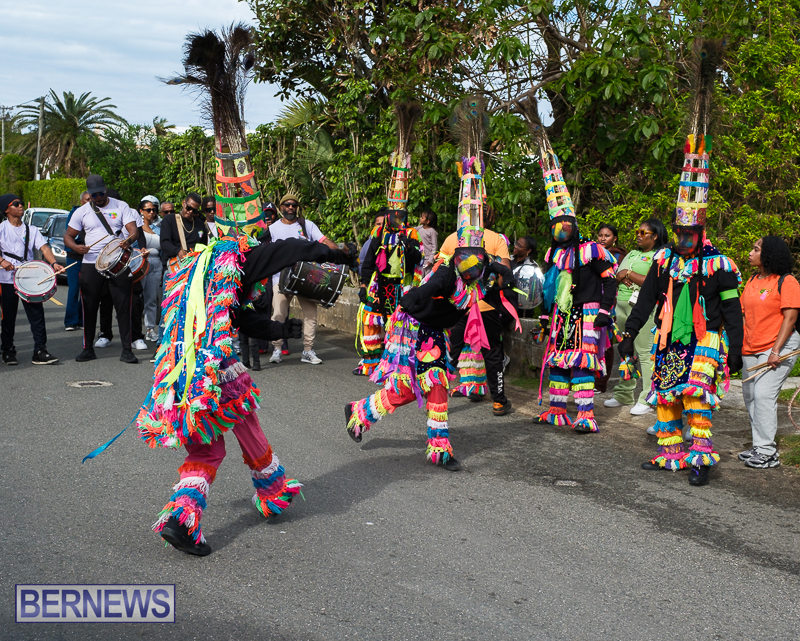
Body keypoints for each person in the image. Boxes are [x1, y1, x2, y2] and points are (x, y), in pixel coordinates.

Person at [136, 233, 357, 556]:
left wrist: (278, 330)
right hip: (212, 369)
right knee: (240, 424)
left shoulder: (198, 269)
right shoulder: (238, 256)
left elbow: (237, 316)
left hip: (179, 372)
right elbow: (287, 249)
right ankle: (265, 492)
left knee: (210, 446)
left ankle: (185, 516)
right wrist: (335, 254)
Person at [621, 143, 743, 486]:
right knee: (665, 396)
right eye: (678, 233)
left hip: (705, 339)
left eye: (688, 234)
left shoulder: (720, 265)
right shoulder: (664, 261)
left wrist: (736, 350)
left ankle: (700, 459)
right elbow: (646, 301)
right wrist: (629, 334)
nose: (682, 239)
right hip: (668, 339)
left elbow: (732, 309)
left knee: (695, 398)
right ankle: (670, 454)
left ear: (701, 232)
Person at [64, 175, 140, 364]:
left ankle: (127, 350)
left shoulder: (120, 206)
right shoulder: (81, 212)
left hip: (117, 261)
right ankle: (88, 349)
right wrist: (76, 247)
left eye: (100, 194)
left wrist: (128, 240)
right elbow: (68, 236)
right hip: (91, 263)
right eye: (93, 195)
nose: (97, 198)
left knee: (123, 306)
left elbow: (133, 230)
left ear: (105, 190)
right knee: (89, 306)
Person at [739, 236, 800, 469]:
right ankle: (759, 445)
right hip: (750, 346)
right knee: (750, 396)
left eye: (756, 249)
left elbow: (790, 318)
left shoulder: (787, 282)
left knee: (763, 394)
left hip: (779, 346)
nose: (751, 253)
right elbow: (744, 314)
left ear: (769, 255)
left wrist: (776, 351)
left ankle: (767, 452)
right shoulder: (752, 280)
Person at [443, 226, 514, 415]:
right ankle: (499, 401)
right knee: (493, 354)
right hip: (486, 307)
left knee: (451, 353)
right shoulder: (495, 240)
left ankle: (436, 400)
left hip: (461, 306)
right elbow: (506, 276)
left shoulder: (452, 242)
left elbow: (441, 273)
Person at [603, 218, 668, 416]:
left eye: (643, 233)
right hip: (622, 307)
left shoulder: (660, 256)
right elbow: (616, 275)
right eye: (637, 232)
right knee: (626, 351)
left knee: (645, 353)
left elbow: (651, 282)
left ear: (655, 236)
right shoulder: (632, 253)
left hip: (643, 310)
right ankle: (624, 393)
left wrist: (628, 274)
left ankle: (647, 397)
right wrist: (624, 275)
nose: (638, 236)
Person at [268, 194, 339, 365]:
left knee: (310, 315)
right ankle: (277, 349)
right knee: (278, 314)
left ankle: (308, 351)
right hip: (281, 277)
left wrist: (339, 254)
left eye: (293, 205)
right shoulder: (272, 229)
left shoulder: (307, 225)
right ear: (281, 207)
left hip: (306, 278)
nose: (290, 208)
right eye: (287, 205)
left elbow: (323, 240)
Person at [355, 206, 422, 376]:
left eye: (400, 216)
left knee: (400, 326)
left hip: (401, 286)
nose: (396, 220)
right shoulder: (379, 233)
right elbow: (369, 261)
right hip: (379, 285)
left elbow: (417, 259)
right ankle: (371, 365)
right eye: (393, 216)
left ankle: (397, 367)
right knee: (371, 323)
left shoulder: (411, 234)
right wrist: (363, 285)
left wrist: (408, 248)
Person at [0, 193, 63, 365]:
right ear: (6, 210)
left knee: (37, 315)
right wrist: (2, 261)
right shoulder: (1, 229)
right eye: (16, 204)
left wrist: (54, 263)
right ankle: (8, 350)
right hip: (6, 279)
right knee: (8, 317)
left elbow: (44, 248)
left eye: (21, 203)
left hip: (28, 278)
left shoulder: (31, 230)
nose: (20, 206)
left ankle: (40, 351)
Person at [159, 193, 210, 271]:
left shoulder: (200, 224)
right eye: (188, 208)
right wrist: (178, 251)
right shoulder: (170, 220)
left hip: (195, 266)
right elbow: (164, 242)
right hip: (175, 267)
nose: (190, 211)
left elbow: (203, 245)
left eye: (194, 210)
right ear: (183, 203)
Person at [64, 190, 90, 331]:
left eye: (91, 199)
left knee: (86, 289)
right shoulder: (75, 213)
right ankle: (70, 321)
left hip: (89, 257)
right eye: (87, 199)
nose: (90, 202)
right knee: (74, 289)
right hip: (74, 256)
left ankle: (81, 320)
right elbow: (71, 234)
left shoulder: (98, 214)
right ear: (81, 202)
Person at [139, 197, 163, 342]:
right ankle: (135, 331)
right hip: (141, 264)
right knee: (137, 299)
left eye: (154, 210)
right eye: (148, 210)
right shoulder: (135, 228)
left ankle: (150, 329)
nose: (151, 212)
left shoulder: (158, 229)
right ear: (141, 211)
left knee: (152, 298)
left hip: (156, 263)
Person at [416, 210, 438, 276]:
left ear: (428, 221)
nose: (420, 218)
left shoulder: (432, 232)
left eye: (422, 218)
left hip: (427, 259)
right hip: (419, 257)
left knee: (426, 277)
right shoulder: (420, 228)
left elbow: (434, 246)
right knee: (418, 276)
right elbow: (412, 229)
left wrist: (431, 260)